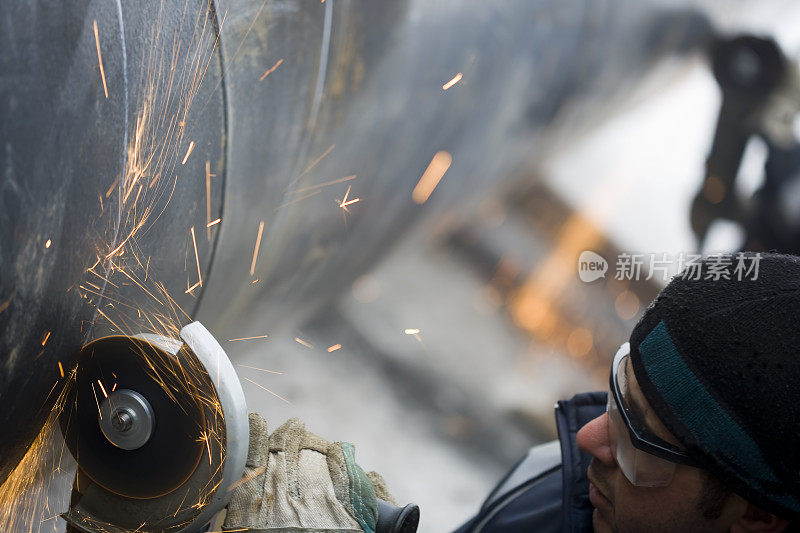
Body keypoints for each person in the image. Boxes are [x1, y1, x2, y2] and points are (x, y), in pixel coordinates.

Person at [455, 252, 800, 532]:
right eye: (620, 394)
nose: (587, 437)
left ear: (756, 517)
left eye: (642, 438)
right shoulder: (545, 489)